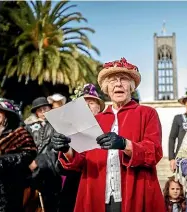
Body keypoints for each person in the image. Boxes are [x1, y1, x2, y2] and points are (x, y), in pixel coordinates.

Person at [52, 57, 165, 212]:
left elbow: (154, 151)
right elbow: (81, 161)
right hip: (97, 192)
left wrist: (125, 144)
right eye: (112, 81)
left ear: (131, 86)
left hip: (135, 191)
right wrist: (67, 149)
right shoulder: (96, 120)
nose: (118, 84)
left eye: (124, 79)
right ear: (106, 88)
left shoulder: (147, 113)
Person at [58, 83, 105, 212]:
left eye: (91, 102)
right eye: (83, 103)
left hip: (99, 180)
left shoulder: (108, 128)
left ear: (99, 108)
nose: (87, 106)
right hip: (74, 181)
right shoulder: (67, 128)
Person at [25, 97, 62, 212]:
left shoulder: (58, 125)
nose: (43, 112)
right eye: (40, 110)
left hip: (52, 169)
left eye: (45, 109)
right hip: (33, 171)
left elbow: (57, 148)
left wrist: (40, 161)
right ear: (36, 112)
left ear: (50, 109)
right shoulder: (29, 127)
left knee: (51, 202)